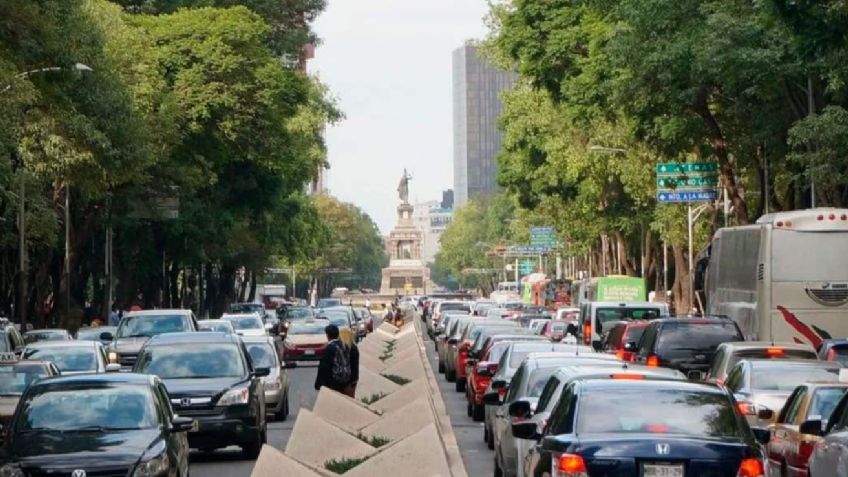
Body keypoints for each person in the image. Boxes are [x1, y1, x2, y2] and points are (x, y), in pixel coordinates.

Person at [314, 324, 352, 393]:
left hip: (334, 381)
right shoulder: (345, 345)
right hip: (346, 379)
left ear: (327, 335)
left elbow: (325, 367)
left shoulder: (330, 347)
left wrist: (319, 384)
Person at [338, 328, 359, 398]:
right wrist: (354, 380)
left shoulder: (340, 348)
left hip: (342, 379)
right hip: (352, 379)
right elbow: (355, 366)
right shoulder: (354, 347)